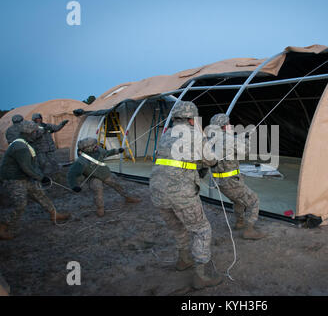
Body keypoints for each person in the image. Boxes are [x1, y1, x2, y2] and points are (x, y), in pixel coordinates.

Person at [149, 100, 222, 290]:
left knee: (178, 227)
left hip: (157, 191)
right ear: (191, 119)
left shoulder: (165, 135)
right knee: (202, 229)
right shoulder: (196, 135)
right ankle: (200, 277)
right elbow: (210, 160)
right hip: (180, 193)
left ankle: (183, 260)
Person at [0, 121, 70, 240]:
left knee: (40, 195)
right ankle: (3, 226)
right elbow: (26, 167)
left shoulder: (24, 143)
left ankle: (54, 214)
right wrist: (41, 178)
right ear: (30, 132)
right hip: (15, 179)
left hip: (24, 177)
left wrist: (39, 176)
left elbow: (30, 166)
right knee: (20, 205)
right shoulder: (20, 147)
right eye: (35, 131)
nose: (37, 133)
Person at [208, 113, 266, 240]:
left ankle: (240, 223)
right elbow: (245, 151)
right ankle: (249, 230)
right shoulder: (228, 140)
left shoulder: (210, 140)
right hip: (231, 182)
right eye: (228, 124)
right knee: (253, 200)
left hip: (219, 182)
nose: (231, 125)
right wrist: (248, 138)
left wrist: (238, 137)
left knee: (238, 201)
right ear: (224, 126)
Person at [68, 137, 141, 217]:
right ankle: (100, 208)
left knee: (116, 185)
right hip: (94, 178)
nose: (96, 146)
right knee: (98, 190)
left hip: (105, 174)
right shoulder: (81, 161)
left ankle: (128, 197)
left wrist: (117, 151)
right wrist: (74, 186)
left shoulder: (99, 150)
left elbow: (107, 153)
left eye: (95, 144)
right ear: (86, 148)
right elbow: (71, 174)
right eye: (93, 145)